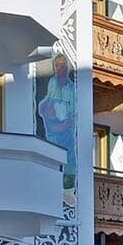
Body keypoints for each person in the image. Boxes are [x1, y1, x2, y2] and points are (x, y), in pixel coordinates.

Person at [37, 53, 77, 188]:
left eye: (61, 66)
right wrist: (42, 107)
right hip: (52, 127)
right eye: (56, 66)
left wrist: (63, 125)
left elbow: (74, 115)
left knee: (67, 157)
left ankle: (67, 184)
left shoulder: (71, 89)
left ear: (66, 68)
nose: (58, 69)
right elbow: (48, 98)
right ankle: (51, 179)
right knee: (51, 155)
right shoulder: (52, 82)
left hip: (65, 129)